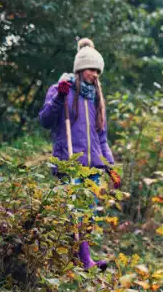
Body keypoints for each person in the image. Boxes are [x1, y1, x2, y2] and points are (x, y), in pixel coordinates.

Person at [38, 38, 121, 270]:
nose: (95, 74)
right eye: (91, 69)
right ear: (80, 68)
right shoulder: (61, 89)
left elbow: (102, 138)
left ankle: (81, 261)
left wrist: (110, 167)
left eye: (98, 70)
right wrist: (59, 98)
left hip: (92, 168)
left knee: (87, 216)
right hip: (69, 163)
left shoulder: (96, 98)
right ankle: (81, 262)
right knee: (73, 215)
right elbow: (45, 120)